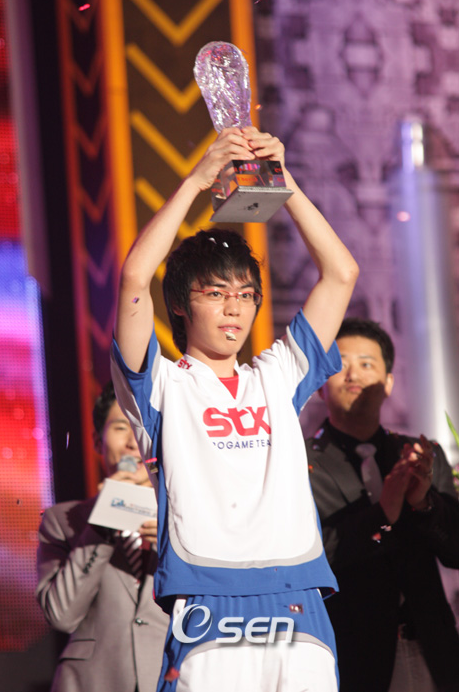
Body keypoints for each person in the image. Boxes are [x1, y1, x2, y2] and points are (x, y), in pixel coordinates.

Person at [110, 125, 359, 692]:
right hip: (208, 599)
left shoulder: (277, 375)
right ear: (181, 304)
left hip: (297, 596)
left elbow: (341, 273)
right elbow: (134, 277)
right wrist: (198, 180)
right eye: (216, 293)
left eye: (246, 295)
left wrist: (281, 182)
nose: (234, 308)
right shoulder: (160, 387)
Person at [306, 317, 459, 692]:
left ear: (388, 382)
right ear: (320, 384)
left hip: (434, 651)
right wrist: (383, 515)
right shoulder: (297, 464)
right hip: (351, 655)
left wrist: (423, 503)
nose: (353, 374)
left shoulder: (422, 454)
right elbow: (309, 559)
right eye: (340, 363)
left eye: (367, 363)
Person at [36, 381, 169, 692]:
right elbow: (62, 615)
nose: (134, 442)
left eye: (144, 428)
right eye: (122, 428)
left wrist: (175, 544)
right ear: (98, 441)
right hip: (94, 682)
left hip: (174, 676)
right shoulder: (63, 521)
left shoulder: (189, 521)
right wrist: (103, 523)